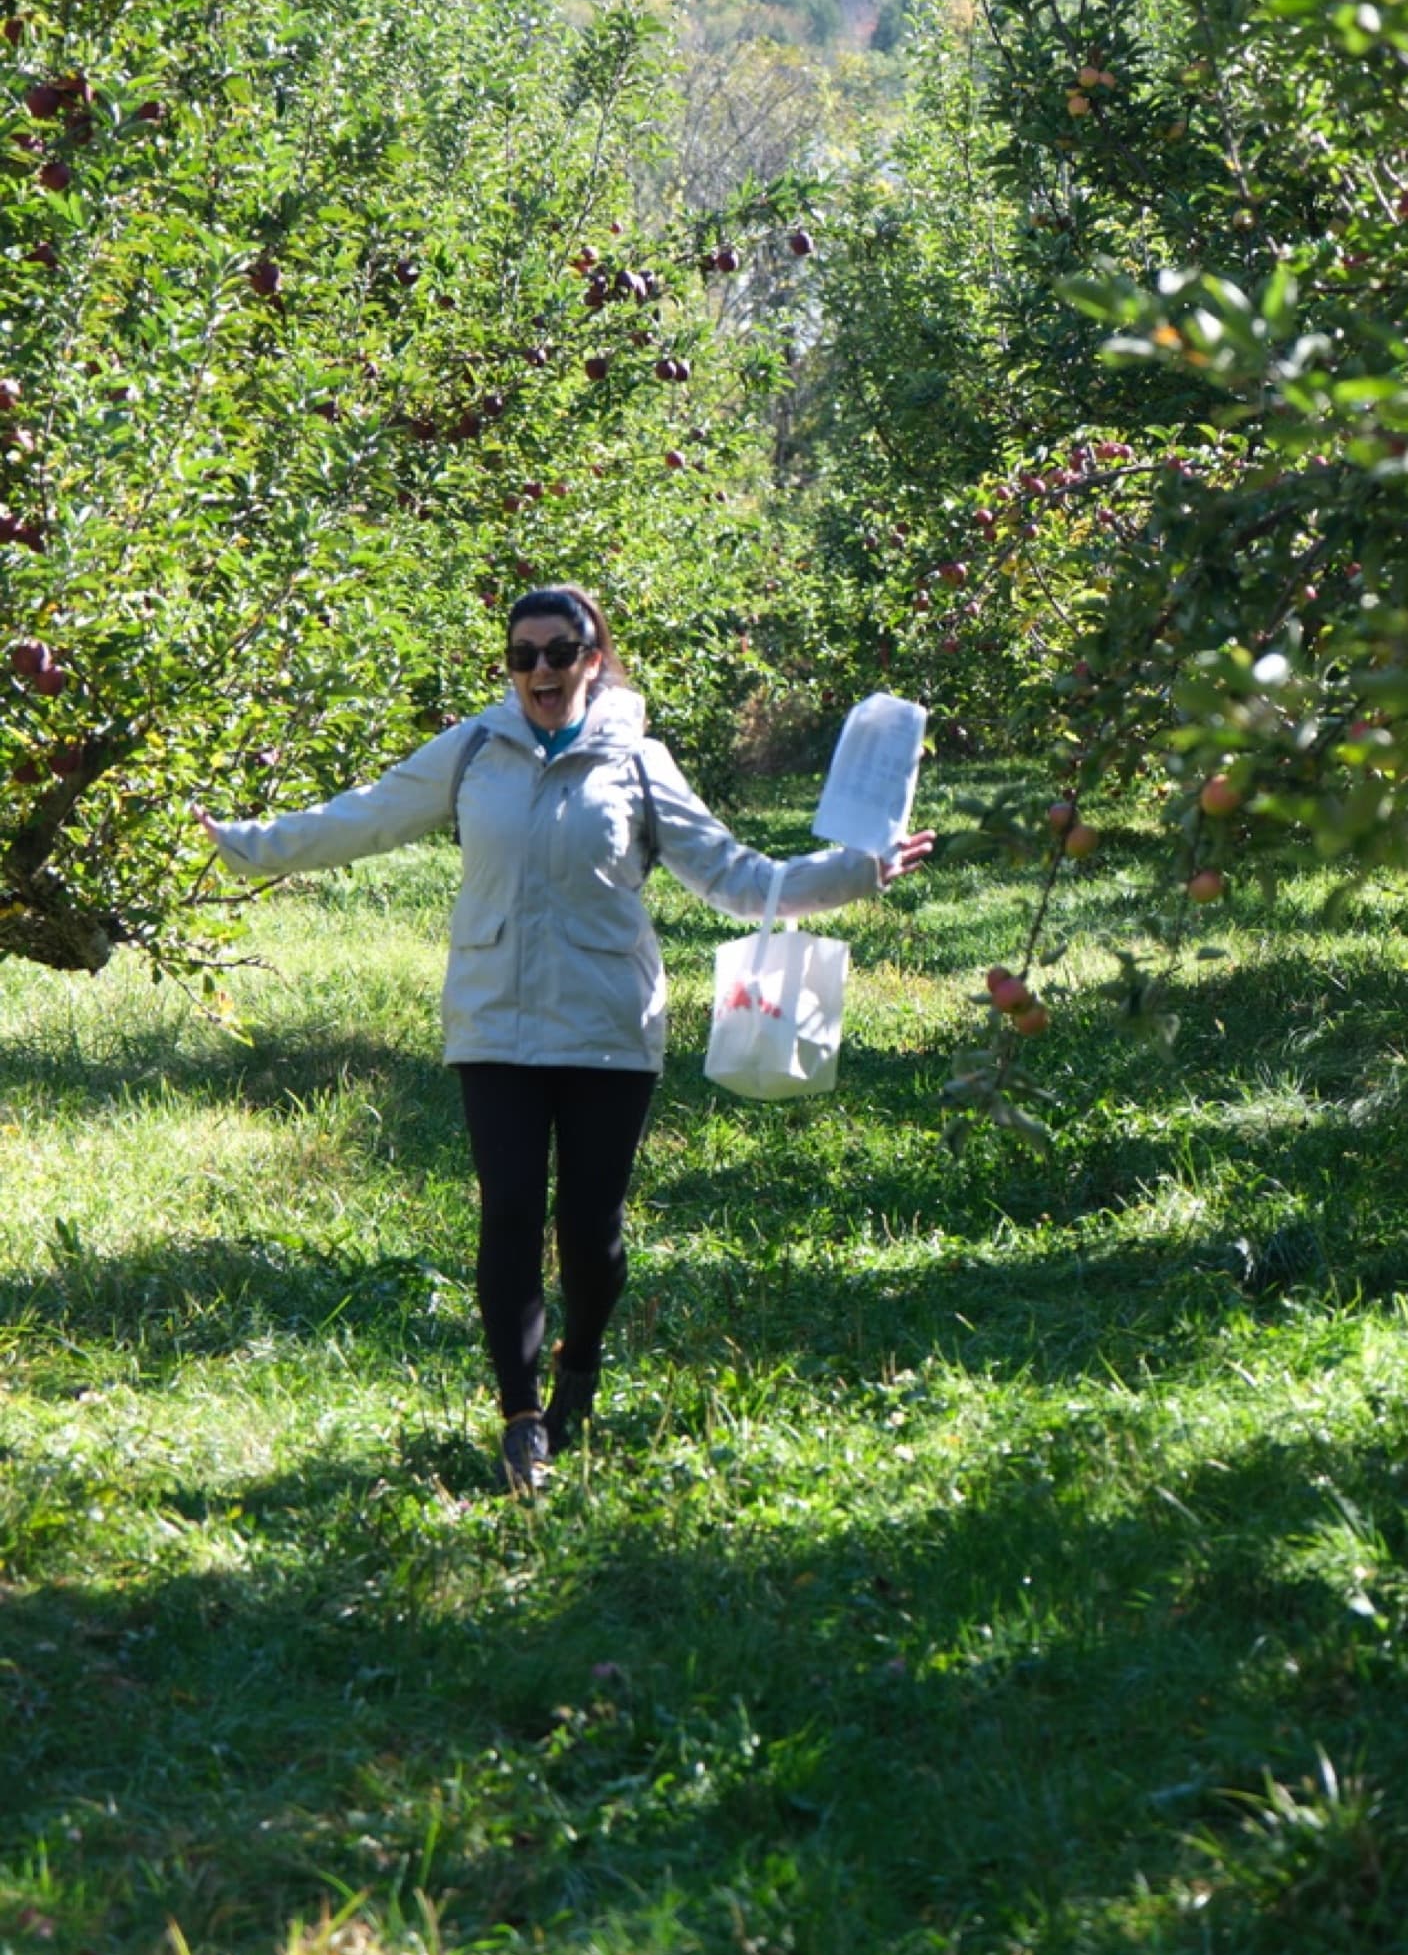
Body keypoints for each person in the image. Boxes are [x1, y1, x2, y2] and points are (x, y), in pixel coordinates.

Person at [196, 583, 935, 1491]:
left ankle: (577, 1368)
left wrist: (858, 871)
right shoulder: (474, 749)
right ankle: (521, 1417)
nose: (540, 670)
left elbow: (740, 879)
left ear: (592, 657)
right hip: (493, 1021)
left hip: (606, 1025)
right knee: (507, 1211)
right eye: (523, 654)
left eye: (559, 651)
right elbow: (366, 815)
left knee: (591, 1228)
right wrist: (244, 844)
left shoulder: (638, 761)